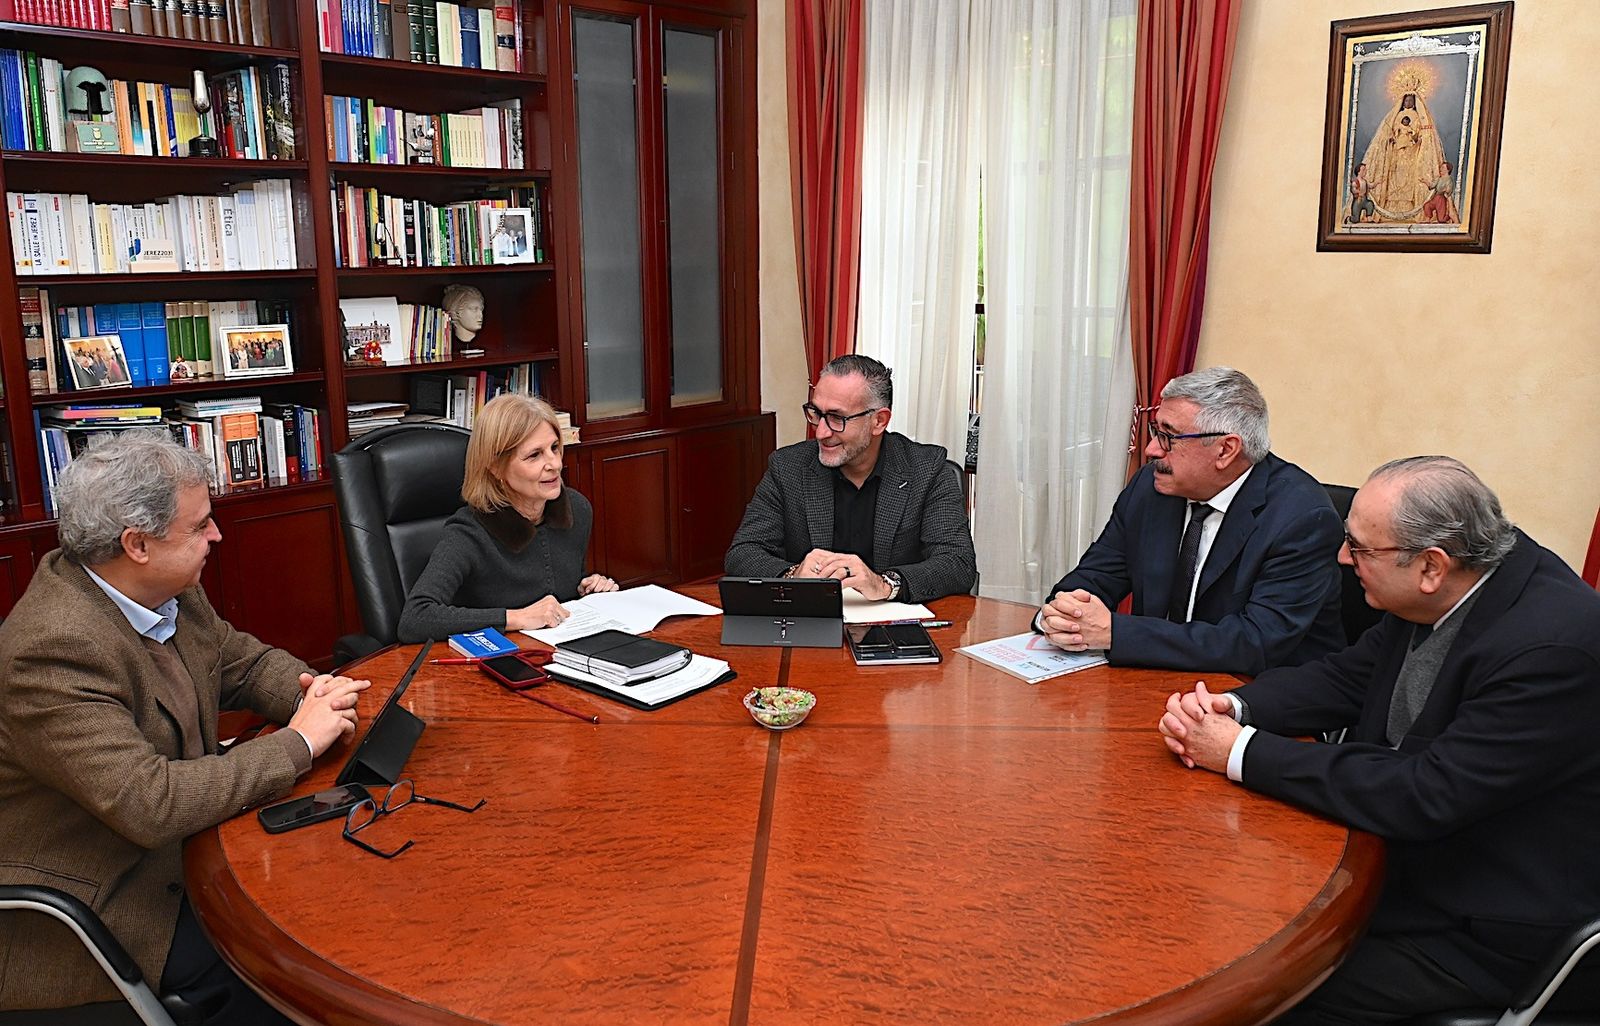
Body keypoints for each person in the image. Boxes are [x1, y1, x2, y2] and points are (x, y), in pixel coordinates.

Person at [1159, 457, 1600, 1024]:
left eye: (1360, 549)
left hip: (1487, 924)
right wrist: (1236, 706)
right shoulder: (1458, 579)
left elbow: (1426, 794)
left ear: (1431, 567)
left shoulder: (1550, 650)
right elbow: (1350, 675)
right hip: (1408, 860)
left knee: (1254, 992)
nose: (1344, 560)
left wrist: (1240, 751)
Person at [0, 432, 370, 1022]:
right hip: (109, 899)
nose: (216, 537)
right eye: (200, 527)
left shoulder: (163, 589)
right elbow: (151, 804)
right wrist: (300, 742)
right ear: (137, 544)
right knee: (301, 966)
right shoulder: (52, 649)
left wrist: (313, 691)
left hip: (194, 847)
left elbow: (241, 661)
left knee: (345, 894)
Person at [1037, 366, 1343, 675]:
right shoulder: (1151, 487)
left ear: (1225, 450)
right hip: (1157, 682)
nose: (1151, 449)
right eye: (1156, 432)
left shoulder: (1302, 519)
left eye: (1168, 437)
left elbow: (1255, 643)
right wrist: (1066, 613)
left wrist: (1117, 633)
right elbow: (1096, 575)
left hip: (1256, 698)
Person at [724, 354, 976, 604]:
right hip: (810, 623)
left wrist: (885, 584)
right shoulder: (788, 468)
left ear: (879, 421)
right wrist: (793, 575)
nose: (821, 432)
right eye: (815, 413)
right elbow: (743, 553)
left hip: (896, 625)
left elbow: (957, 562)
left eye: (837, 418)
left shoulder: (927, 470)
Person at [399, 394, 616, 641]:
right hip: (494, 663)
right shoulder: (469, 532)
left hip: (562, 655)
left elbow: (555, 594)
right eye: (534, 455)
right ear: (496, 467)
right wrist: (515, 617)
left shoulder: (576, 508)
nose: (554, 464)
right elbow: (415, 618)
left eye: (554, 448)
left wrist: (587, 591)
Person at [1359, 88, 1448, 220]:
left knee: (1408, 178)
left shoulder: (1417, 116)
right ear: (1402, 102)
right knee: (1394, 177)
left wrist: (1414, 137)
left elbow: (1419, 133)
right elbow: (1392, 131)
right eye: (1406, 100)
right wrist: (1392, 139)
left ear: (1414, 102)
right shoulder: (1397, 116)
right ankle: (1391, 206)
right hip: (1396, 152)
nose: (1408, 102)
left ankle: (1410, 207)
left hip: (1412, 153)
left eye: (1410, 100)